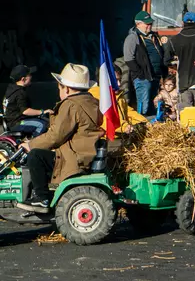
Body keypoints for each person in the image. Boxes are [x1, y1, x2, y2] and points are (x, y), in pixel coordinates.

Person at [17, 64, 102, 213]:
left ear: (66, 89)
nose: (59, 91)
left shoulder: (70, 105)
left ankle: (42, 198)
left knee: (35, 156)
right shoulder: (91, 102)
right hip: (86, 152)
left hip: (74, 156)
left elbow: (56, 135)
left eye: (59, 88)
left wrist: (30, 144)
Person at [163, 12, 195, 115]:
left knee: (186, 113)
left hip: (183, 82)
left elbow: (166, 60)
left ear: (183, 23)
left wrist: (175, 66)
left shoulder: (174, 40)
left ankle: (189, 131)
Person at [124, 11, 166, 115]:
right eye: (147, 24)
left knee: (152, 105)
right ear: (138, 24)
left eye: (150, 23)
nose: (149, 26)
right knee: (144, 106)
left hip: (155, 77)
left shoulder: (154, 37)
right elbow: (129, 58)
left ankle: (151, 127)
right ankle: (142, 127)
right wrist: (140, 74)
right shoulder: (133, 38)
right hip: (143, 78)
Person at [90, 64, 147, 134]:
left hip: (122, 134)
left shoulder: (119, 95)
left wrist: (143, 121)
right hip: (107, 139)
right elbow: (105, 120)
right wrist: (124, 127)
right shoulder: (94, 97)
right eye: (115, 81)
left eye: (119, 80)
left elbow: (128, 112)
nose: (119, 84)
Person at [2, 65, 52, 137]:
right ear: (23, 79)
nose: (31, 76)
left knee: (43, 120)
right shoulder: (20, 93)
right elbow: (25, 111)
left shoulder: (11, 89)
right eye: (29, 75)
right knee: (41, 125)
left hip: (12, 121)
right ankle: (31, 145)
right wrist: (42, 111)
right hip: (17, 123)